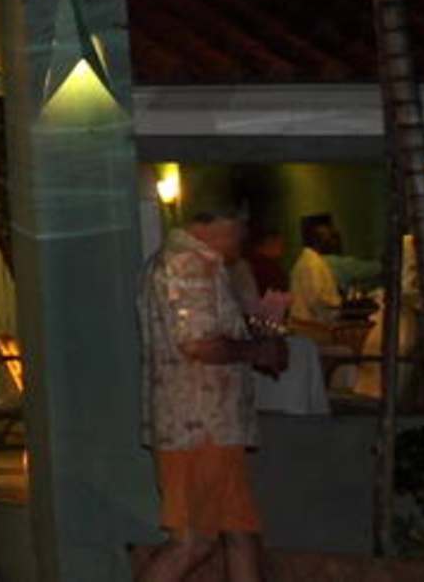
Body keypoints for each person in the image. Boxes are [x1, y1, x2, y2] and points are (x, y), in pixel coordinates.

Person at [138, 203, 286, 582]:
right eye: (239, 227)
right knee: (194, 542)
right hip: (198, 424)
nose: (243, 237)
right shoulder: (188, 264)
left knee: (239, 534)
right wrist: (257, 351)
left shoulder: (194, 263)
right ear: (216, 221)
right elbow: (197, 343)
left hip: (208, 424)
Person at [290, 214, 345, 332]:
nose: (332, 242)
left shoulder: (309, 260)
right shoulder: (312, 263)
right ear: (317, 239)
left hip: (310, 326)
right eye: (328, 237)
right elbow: (317, 300)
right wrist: (336, 309)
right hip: (313, 328)